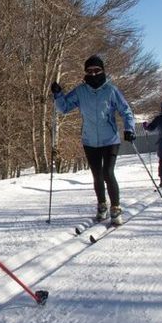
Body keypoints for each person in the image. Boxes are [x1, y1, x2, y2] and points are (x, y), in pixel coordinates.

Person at [51, 55, 136, 225]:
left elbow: (126, 111)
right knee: (97, 175)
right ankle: (102, 205)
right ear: (86, 73)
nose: (93, 74)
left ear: (103, 71)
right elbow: (64, 108)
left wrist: (129, 128)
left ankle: (116, 208)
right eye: (89, 71)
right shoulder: (81, 91)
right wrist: (58, 94)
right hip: (90, 140)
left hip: (110, 139)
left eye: (97, 70)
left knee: (108, 173)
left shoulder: (111, 90)